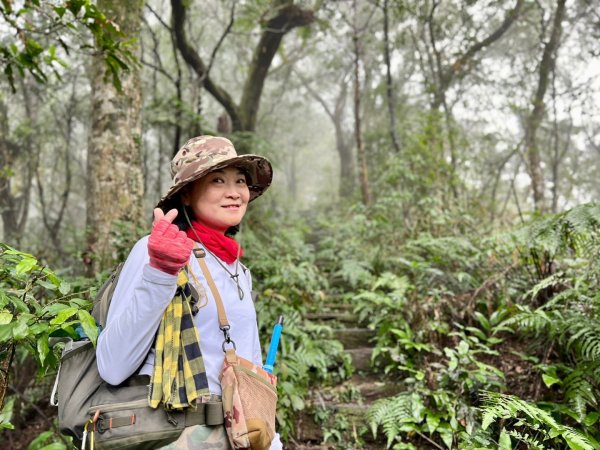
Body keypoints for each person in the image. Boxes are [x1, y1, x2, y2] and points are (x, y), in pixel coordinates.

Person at [96, 135, 282, 449]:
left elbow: (247, 371)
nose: (234, 192)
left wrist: (271, 441)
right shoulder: (155, 251)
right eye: (217, 180)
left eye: (240, 181)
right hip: (172, 434)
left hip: (232, 439)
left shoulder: (238, 269)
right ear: (186, 194)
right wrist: (160, 271)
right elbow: (112, 366)